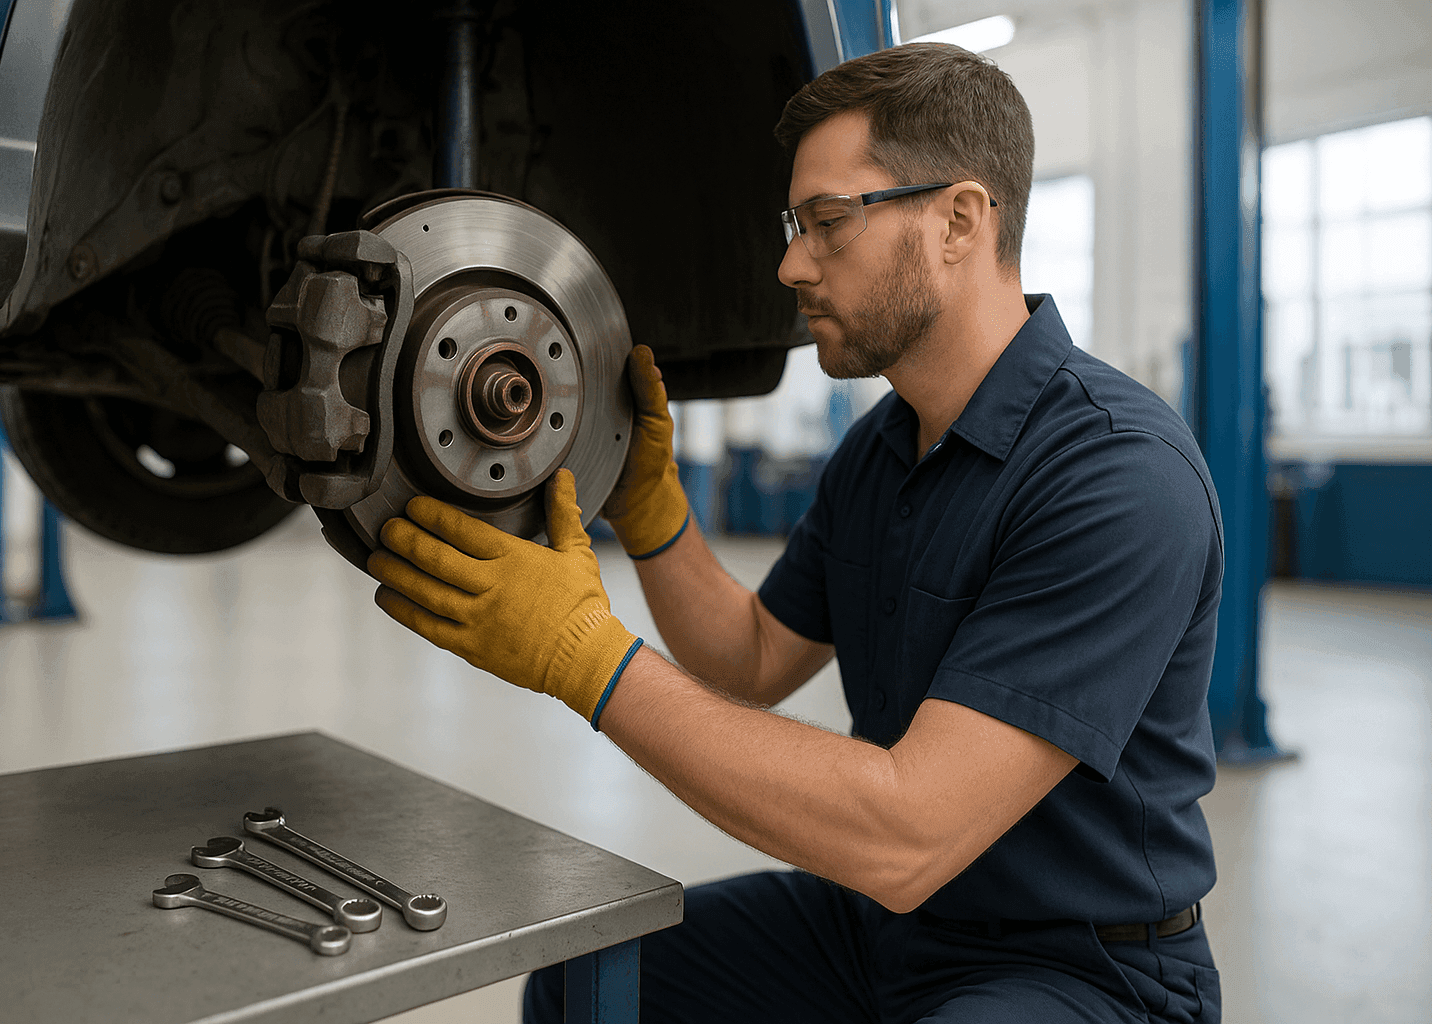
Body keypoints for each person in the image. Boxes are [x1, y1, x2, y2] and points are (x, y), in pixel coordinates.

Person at [367, 41, 1223, 1024]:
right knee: (584, 989)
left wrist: (584, 658)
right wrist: (652, 515)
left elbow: (908, 828)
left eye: (828, 223)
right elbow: (752, 657)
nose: (789, 263)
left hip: (1078, 965)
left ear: (958, 221)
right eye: (793, 224)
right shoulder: (882, 450)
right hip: (887, 924)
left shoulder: (1115, 476)